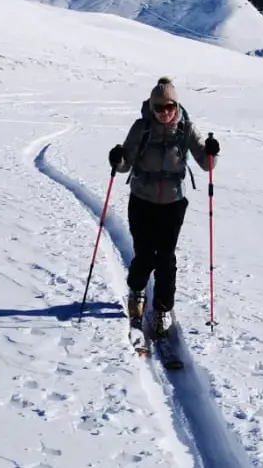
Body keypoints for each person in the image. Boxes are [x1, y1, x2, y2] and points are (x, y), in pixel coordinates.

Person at [107, 76, 219, 336]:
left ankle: (162, 309)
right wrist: (117, 159)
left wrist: (212, 151)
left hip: (173, 204)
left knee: (166, 259)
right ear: (152, 107)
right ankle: (136, 291)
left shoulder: (186, 129)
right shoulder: (141, 128)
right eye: (159, 108)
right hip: (141, 201)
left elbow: (206, 163)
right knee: (145, 255)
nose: (165, 112)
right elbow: (125, 163)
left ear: (176, 104)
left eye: (170, 106)